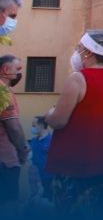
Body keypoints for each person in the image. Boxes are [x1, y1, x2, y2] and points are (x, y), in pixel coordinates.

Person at [44, 30, 103, 216]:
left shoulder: (78, 79)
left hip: (78, 167)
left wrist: (49, 113)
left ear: (88, 52)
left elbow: (58, 121)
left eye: (79, 47)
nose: (76, 51)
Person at [0, 55, 30, 214]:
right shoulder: (3, 92)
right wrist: (23, 150)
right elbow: (14, 128)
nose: (19, 73)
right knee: (8, 205)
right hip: (5, 161)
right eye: (17, 69)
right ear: (5, 69)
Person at [29, 115, 53, 198]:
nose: (32, 128)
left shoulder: (52, 141)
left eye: (34, 125)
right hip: (34, 179)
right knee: (35, 199)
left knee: (47, 200)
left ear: (42, 125)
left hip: (48, 178)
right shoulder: (33, 141)